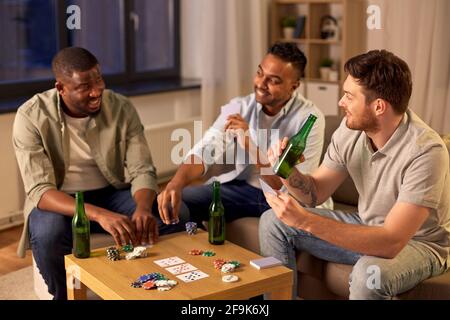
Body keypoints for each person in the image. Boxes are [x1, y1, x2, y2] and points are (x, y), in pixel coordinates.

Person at [259, 49, 450, 299]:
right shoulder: (351, 131)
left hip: (418, 243)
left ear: (379, 106)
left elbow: (391, 241)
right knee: (272, 222)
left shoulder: (426, 152)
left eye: (349, 96)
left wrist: (305, 221)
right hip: (368, 225)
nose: (341, 103)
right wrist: (284, 169)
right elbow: (315, 193)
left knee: (368, 275)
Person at [12, 47, 188, 300]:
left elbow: (142, 169)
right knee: (48, 233)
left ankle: (158, 290)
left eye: (98, 81)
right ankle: (65, 296)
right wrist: (99, 215)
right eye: (85, 86)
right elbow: (40, 190)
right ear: (61, 88)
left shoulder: (121, 107)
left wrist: (142, 208)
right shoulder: (30, 116)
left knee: (173, 214)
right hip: (59, 200)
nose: (96, 92)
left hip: (109, 192)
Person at [157, 42, 328, 227]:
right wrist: (176, 183)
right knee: (179, 201)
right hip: (245, 189)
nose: (261, 84)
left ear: (293, 86)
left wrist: (249, 143)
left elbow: (295, 189)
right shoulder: (238, 105)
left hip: (285, 198)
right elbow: (206, 148)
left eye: (274, 80)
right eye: (260, 73)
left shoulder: (310, 119)